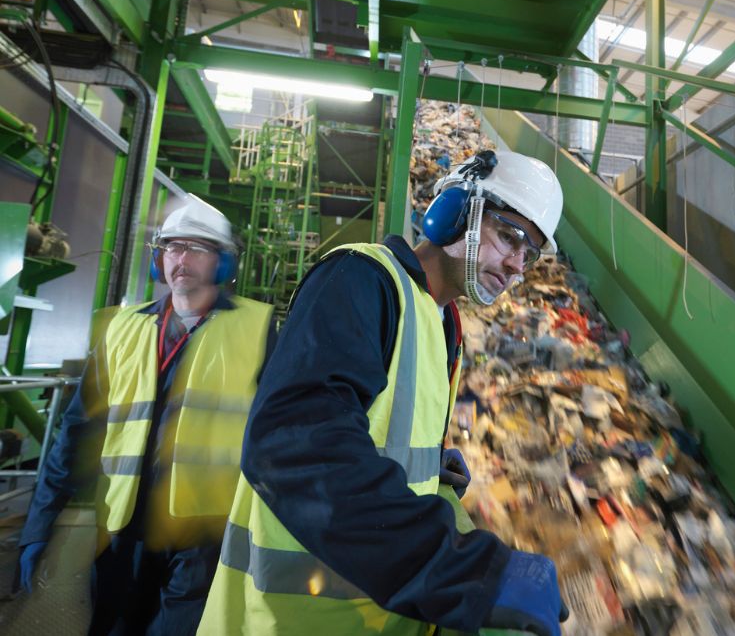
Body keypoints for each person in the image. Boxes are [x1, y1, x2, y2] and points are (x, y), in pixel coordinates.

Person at [197, 150, 569, 636]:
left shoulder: (442, 322)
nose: (518, 265)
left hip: (375, 616)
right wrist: (463, 570)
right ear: (454, 213)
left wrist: (423, 468)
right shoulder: (360, 280)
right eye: (510, 237)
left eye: (530, 253)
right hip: (292, 619)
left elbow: (365, 425)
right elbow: (296, 446)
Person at [17, 195, 276, 635]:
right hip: (123, 527)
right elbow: (77, 429)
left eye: (197, 248)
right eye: (173, 246)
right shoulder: (124, 327)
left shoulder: (257, 329)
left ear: (224, 263)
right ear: (160, 258)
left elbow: (275, 434)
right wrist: (39, 523)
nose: (182, 258)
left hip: (203, 531)